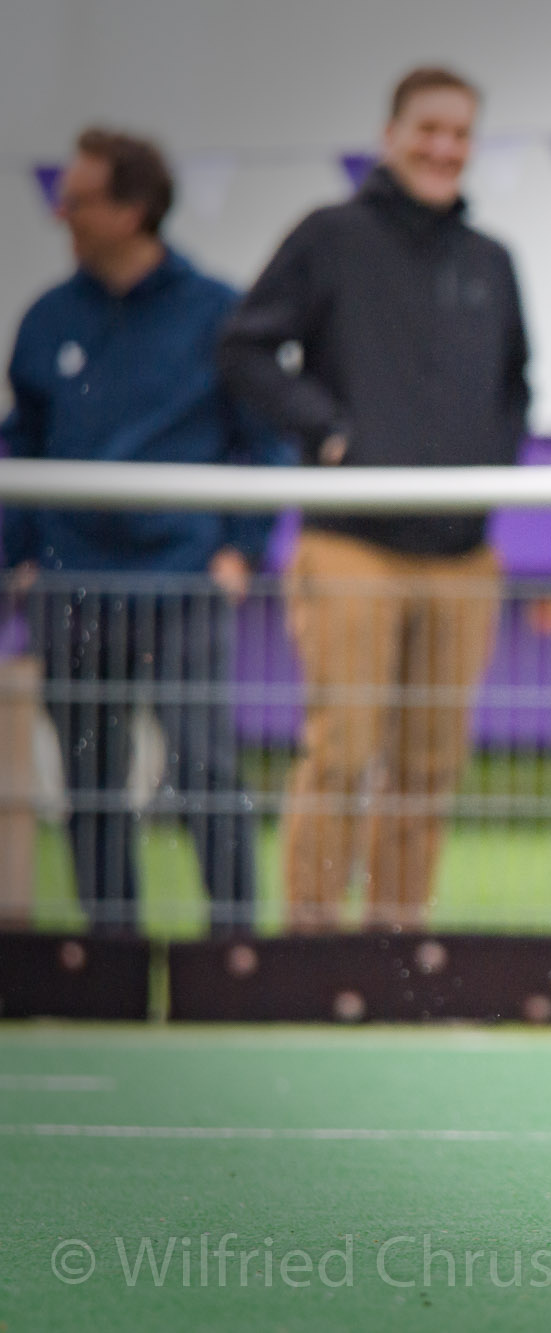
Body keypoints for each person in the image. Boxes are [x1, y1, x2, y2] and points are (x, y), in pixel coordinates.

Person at [219, 66, 530, 931]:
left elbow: (514, 387)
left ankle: (396, 952)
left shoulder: (491, 260)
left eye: (460, 133)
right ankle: (312, 948)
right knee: (343, 750)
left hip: (462, 556)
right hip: (351, 543)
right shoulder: (329, 237)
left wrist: (486, 467)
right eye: (428, 128)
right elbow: (244, 348)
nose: (444, 147)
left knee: (430, 766)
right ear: (390, 135)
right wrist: (327, 429)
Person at [2, 128, 287, 936]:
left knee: (205, 768)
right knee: (91, 781)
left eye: (79, 199)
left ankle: (234, 954)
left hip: (183, 576)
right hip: (72, 582)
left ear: (132, 211)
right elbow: (23, 442)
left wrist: (241, 548)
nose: (63, 214)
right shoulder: (49, 317)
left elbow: (265, 439)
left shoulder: (216, 313)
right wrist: (19, 557)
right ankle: (110, 957)